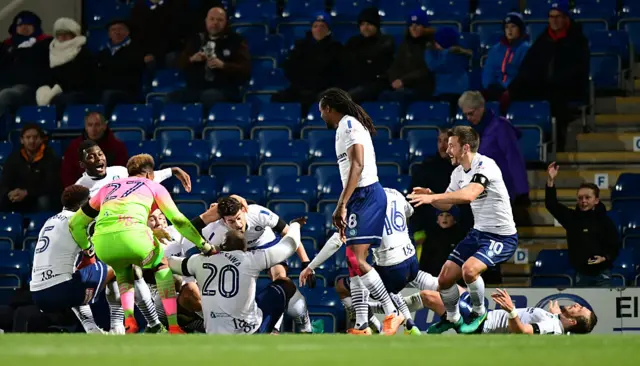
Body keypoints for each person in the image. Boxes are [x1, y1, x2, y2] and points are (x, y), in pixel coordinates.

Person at [68, 154, 214, 334]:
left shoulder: (107, 188)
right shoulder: (152, 185)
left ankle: (130, 320)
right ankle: (174, 325)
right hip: (134, 237)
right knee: (161, 266)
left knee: (123, 271)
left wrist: (87, 249)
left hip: (103, 244)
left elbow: (75, 224)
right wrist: (204, 245)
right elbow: (178, 220)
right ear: (149, 175)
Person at [408, 126, 518, 334]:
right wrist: (432, 195)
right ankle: (452, 317)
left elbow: (469, 195)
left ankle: (479, 312)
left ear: (465, 147)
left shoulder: (486, 165)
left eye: (452, 145)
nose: (447, 150)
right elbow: (447, 205)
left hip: (502, 236)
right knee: (445, 278)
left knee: (469, 270)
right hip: (479, 232)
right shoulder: (458, 172)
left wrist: (432, 197)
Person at [319, 87, 402, 335]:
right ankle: (362, 325)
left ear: (329, 109)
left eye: (321, 111)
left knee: (357, 259)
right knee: (353, 262)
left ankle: (392, 312)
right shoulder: (345, 126)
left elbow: (358, 163)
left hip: (365, 194)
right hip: (359, 195)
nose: (321, 116)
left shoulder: (348, 125)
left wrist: (342, 203)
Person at [300, 187, 440, 335]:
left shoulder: (362, 203)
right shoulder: (394, 193)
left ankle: (376, 322)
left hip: (391, 264)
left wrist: (311, 266)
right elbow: (409, 213)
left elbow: (337, 240)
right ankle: (409, 324)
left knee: (358, 272)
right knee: (375, 275)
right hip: (410, 258)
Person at [196, 196, 315, 333]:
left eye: (239, 218)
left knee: (280, 278)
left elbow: (289, 236)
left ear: (243, 210)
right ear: (222, 220)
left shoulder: (258, 213)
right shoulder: (215, 232)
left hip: (266, 245)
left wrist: (306, 263)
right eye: (231, 221)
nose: (238, 225)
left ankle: (276, 328)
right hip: (237, 252)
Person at [167, 220, 306, 334]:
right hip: (249, 332)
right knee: (284, 284)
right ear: (245, 248)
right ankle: (306, 329)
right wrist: (294, 225)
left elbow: (169, 263)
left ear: (221, 246)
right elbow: (290, 245)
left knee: (186, 291)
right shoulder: (251, 259)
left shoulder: (199, 260)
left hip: (215, 334)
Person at [29, 185, 114, 334]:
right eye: (89, 201)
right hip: (60, 290)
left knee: (75, 276)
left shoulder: (50, 220)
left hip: (38, 294)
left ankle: (92, 328)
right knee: (119, 265)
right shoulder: (79, 221)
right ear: (82, 205)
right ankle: (119, 326)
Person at [506, 0, 589, 150]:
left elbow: (578, 70)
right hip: (543, 86)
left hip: (566, 89)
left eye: (558, 16)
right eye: (551, 17)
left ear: (566, 18)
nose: (554, 20)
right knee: (514, 93)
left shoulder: (577, 40)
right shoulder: (543, 39)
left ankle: (555, 146)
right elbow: (528, 66)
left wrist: (552, 81)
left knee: (555, 102)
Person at [387, 288, 597, 334]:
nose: (577, 305)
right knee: (454, 288)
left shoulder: (553, 326)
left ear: (572, 322)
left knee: (429, 296)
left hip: (480, 325)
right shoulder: (558, 325)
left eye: (579, 310)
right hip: (483, 317)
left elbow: (523, 331)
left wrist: (511, 310)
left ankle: (390, 309)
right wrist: (555, 312)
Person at [545, 162, 620, 287]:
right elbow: (551, 204)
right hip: (581, 275)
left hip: (602, 275)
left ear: (596, 200)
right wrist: (550, 180)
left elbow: (614, 246)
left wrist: (604, 258)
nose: (583, 201)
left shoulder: (605, 221)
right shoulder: (572, 218)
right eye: (580, 198)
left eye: (587, 197)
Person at [458, 91, 529, 204]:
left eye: (471, 113)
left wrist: (522, 191)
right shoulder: (469, 133)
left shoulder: (500, 127)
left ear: (481, 107)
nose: (468, 118)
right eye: (465, 115)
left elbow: (514, 158)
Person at [172, 6, 251, 108]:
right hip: (196, 88)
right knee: (171, 98)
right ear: (206, 20)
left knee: (209, 96)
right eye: (212, 19)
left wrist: (223, 65)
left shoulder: (236, 41)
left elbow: (245, 69)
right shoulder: (196, 39)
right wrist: (192, 59)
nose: (215, 23)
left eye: (220, 20)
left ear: (226, 22)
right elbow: (179, 63)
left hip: (224, 88)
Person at [146, 209, 206, 333]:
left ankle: (216, 325)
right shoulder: (141, 242)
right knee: (183, 285)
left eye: (161, 218)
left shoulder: (179, 232)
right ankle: (216, 324)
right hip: (164, 302)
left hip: (193, 296)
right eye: (152, 219)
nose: (158, 222)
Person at [272, 12, 343, 112]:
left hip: (323, 88)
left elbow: (336, 72)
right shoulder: (301, 46)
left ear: (328, 30)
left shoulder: (336, 48)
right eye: (315, 26)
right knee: (277, 98)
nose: (318, 29)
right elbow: (290, 67)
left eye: (322, 26)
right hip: (301, 86)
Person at [35, 18, 97, 111]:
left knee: (60, 100)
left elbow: (84, 78)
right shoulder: (49, 52)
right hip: (54, 88)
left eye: (66, 34)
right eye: (60, 34)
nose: (63, 37)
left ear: (73, 35)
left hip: (78, 91)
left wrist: (59, 88)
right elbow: (44, 74)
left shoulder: (83, 53)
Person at [0, 10, 51, 118]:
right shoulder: (5, 46)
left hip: (29, 89)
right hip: (5, 86)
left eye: (28, 24)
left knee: (5, 96)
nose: (24, 27)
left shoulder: (45, 44)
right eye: (20, 24)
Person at [0, 123, 61, 213]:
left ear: (41, 139)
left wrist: (27, 192)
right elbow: (5, 181)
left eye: (35, 137)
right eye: (28, 137)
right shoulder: (13, 158)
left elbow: (51, 185)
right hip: (18, 197)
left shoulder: (50, 157)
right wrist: (9, 193)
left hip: (39, 196)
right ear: (22, 140)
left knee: (44, 200)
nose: (32, 141)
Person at [61, 112, 128, 187]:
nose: (93, 129)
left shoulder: (117, 147)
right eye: (90, 125)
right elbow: (68, 174)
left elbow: (122, 173)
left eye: (97, 125)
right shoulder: (74, 147)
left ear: (104, 126)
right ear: (86, 127)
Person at [342, 7, 395, 103]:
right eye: (362, 24)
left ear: (376, 25)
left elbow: (375, 62)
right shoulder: (353, 42)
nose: (365, 28)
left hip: (376, 84)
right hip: (354, 83)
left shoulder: (385, 41)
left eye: (369, 24)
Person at [382, 8, 435, 103]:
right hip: (404, 86)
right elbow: (396, 65)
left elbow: (425, 70)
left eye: (417, 25)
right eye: (411, 25)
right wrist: (394, 80)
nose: (414, 28)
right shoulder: (405, 44)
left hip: (422, 87)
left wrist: (403, 81)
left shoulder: (431, 44)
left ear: (425, 27)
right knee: (383, 95)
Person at [96, 19, 145, 114]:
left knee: (108, 94)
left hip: (127, 92)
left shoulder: (135, 50)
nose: (117, 32)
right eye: (113, 30)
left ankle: (101, 123)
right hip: (105, 90)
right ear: (109, 34)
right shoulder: (103, 53)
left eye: (120, 29)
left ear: (128, 32)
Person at [482, 12, 530, 101]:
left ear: (520, 29)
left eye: (513, 26)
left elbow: (525, 75)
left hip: (516, 90)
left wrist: (510, 87)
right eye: (507, 27)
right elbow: (489, 72)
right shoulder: (495, 49)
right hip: (495, 89)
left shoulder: (526, 49)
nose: (509, 30)